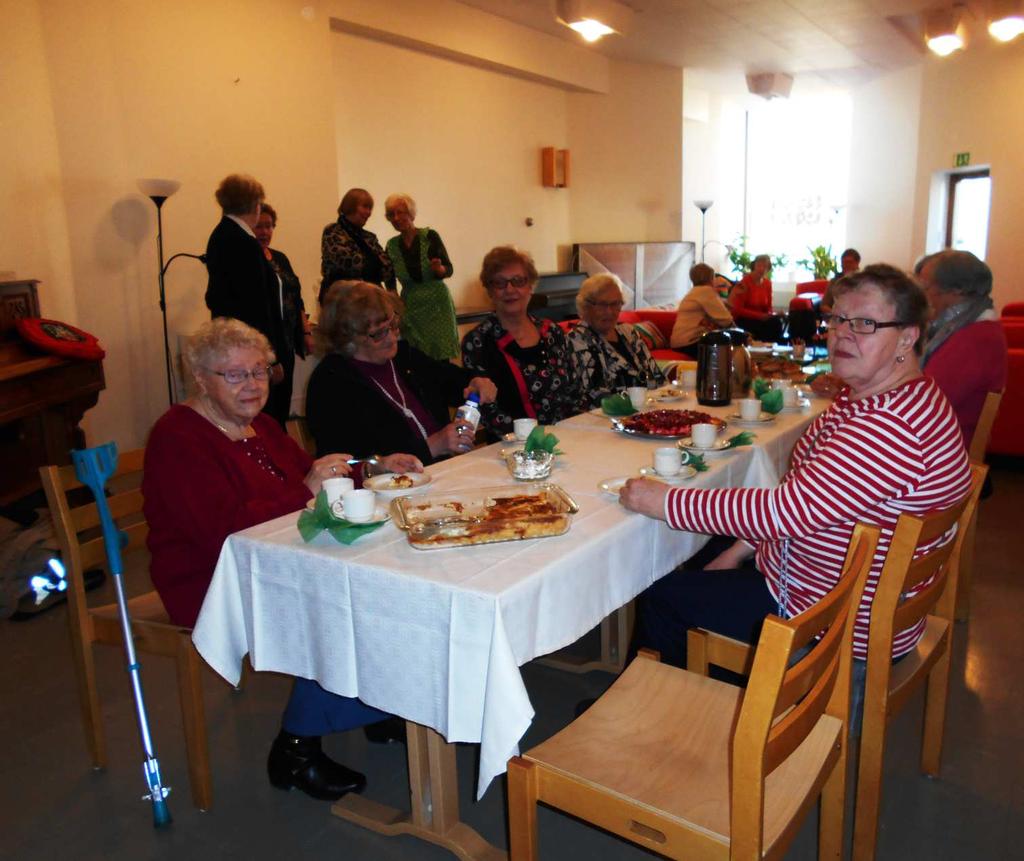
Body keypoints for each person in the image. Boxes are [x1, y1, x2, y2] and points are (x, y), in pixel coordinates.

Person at [620, 263, 972, 674]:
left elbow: (789, 510)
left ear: (907, 337)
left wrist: (664, 501)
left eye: (864, 323)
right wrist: (740, 549)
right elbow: (808, 502)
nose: (842, 333)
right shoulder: (891, 397)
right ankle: (695, 686)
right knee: (707, 549)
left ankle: (658, 723)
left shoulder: (891, 425)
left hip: (832, 619)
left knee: (662, 596)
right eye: (838, 318)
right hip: (832, 581)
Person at [143, 318, 415, 802]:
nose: (253, 385)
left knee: (388, 578)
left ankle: (373, 708)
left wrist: (371, 467)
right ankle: (296, 749)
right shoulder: (178, 436)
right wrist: (303, 490)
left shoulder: (262, 426)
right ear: (200, 378)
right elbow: (221, 529)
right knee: (338, 602)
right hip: (210, 579)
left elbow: (304, 478)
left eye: (260, 371)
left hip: (277, 557)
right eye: (235, 375)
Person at [306, 281, 497, 465]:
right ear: (347, 338)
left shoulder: (404, 356)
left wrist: (474, 382)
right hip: (389, 491)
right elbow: (351, 464)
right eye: (379, 333)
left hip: (440, 473)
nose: (391, 338)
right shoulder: (330, 383)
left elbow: (451, 381)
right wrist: (430, 447)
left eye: (393, 324)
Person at [461, 246, 583, 439]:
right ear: (490, 291)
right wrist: (534, 439)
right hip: (512, 449)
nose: (510, 289)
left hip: (565, 438)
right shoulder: (477, 341)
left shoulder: (552, 331)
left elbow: (574, 390)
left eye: (518, 281)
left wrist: (573, 432)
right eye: (500, 283)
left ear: (530, 286)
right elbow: (487, 411)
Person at [204, 174, 290, 426]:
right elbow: (257, 307)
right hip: (248, 347)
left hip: (234, 341)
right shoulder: (243, 242)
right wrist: (270, 358)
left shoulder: (221, 234)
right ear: (255, 205)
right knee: (265, 416)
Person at [919, 250, 1008, 449]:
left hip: (942, 449)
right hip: (935, 436)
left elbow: (925, 402)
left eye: (925, 287)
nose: (920, 296)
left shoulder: (976, 338)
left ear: (956, 291)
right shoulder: (963, 327)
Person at [253, 202, 312, 424]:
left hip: (287, 339)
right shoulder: (251, 259)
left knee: (284, 397)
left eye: (269, 226)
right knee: (267, 402)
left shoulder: (280, 257)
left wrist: (306, 332)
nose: (265, 232)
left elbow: (296, 296)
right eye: (259, 226)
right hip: (265, 342)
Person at [383, 193, 459, 361]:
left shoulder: (430, 236)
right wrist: (394, 303)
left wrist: (439, 269)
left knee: (441, 359)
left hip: (437, 305)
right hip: (411, 306)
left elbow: (449, 269)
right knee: (417, 358)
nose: (396, 218)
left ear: (411, 214)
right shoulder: (391, 245)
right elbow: (389, 280)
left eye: (400, 212)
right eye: (391, 215)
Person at [569, 273, 664, 406]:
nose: (610, 311)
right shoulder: (578, 340)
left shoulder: (629, 333)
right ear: (585, 306)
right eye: (602, 305)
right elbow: (594, 395)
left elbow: (656, 377)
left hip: (648, 408)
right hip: (609, 416)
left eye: (615, 304)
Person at [319, 188, 395, 303]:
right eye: (365, 207)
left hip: (370, 301)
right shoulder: (333, 231)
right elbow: (348, 264)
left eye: (370, 208)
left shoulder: (369, 237)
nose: (369, 212)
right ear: (350, 206)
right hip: (342, 301)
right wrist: (374, 265)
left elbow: (387, 269)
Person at [669, 262, 735, 357]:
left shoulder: (694, 292)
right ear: (710, 277)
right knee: (729, 340)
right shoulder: (706, 291)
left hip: (679, 343)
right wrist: (745, 336)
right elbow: (726, 320)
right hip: (691, 343)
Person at [730, 253, 784, 342]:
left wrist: (771, 314)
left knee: (776, 321)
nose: (762, 269)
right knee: (769, 325)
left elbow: (768, 307)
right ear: (754, 266)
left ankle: (772, 350)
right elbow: (737, 310)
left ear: (768, 269)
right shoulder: (745, 282)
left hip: (761, 319)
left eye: (765, 266)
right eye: (759, 265)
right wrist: (760, 316)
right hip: (744, 319)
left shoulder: (767, 283)